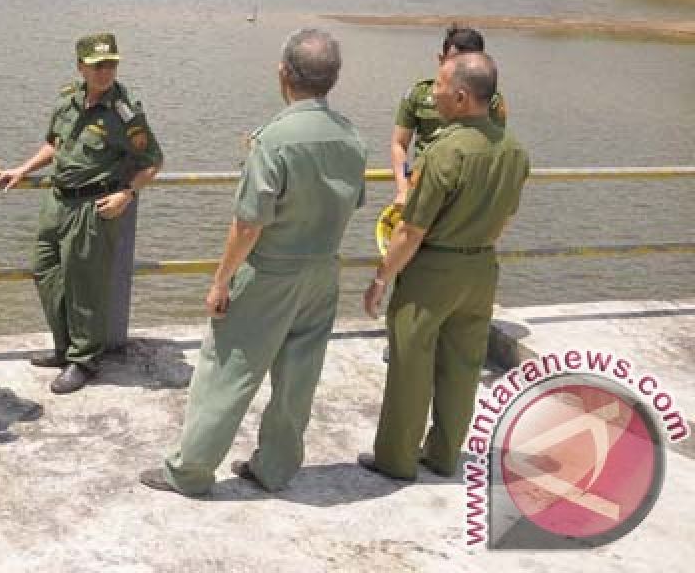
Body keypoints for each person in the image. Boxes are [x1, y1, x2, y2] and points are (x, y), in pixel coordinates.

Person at [138, 29, 367, 497]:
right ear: (334, 78)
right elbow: (351, 201)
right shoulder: (352, 136)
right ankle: (275, 467)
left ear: (284, 73)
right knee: (299, 374)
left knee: (227, 368)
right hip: (323, 270)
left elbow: (248, 224)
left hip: (271, 270)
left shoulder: (275, 139)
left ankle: (191, 471)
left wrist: (221, 281)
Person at [360, 52, 529, 482]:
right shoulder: (514, 151)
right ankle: (443, 454)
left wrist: (383, 275)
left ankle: (396, 460)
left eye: (437, 85)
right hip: (482, 268)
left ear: (459, 96)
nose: (431, 92)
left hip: (435, 268)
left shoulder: (445, 151)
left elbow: (411, 230)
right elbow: (506, 218)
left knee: (411, 362)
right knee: (463, 366)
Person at [0, 33, 162, 395]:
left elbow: (153, 162)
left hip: (92, 207)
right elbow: (55, 143)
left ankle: (84, 360)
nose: (105, 72)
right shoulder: (68, 98)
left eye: (111, 64)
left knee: (86, 285)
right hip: (57, 201)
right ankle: (64, 346)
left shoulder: (124, 111)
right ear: (80, 66)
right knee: (45, 270)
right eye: (97, 65)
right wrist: (22, 170)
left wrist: (127, 194)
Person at [390, 26, 507, 207]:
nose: (460, 70)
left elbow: (496, 148)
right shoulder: (419, 94)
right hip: (425, 188)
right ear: (441, 59)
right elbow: (399, 144)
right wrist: (403, 189)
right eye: (454, 61)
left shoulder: (490, 100)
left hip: (469, 194)